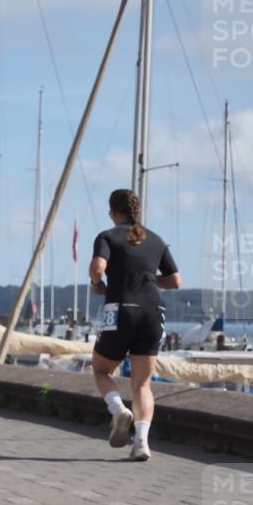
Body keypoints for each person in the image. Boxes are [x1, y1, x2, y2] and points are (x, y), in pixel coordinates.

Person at [89, 189, 181, 461]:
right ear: (138, 211)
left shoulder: (107, 236)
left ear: (113, 212)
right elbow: (175, 280)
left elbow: (97, 269)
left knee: (101, 369)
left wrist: (98, 285)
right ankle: (141, 442)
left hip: (120, 310)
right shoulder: (156, 240)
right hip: (153, 312)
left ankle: (118, 410)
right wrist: (149, 279)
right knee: (142, 384)